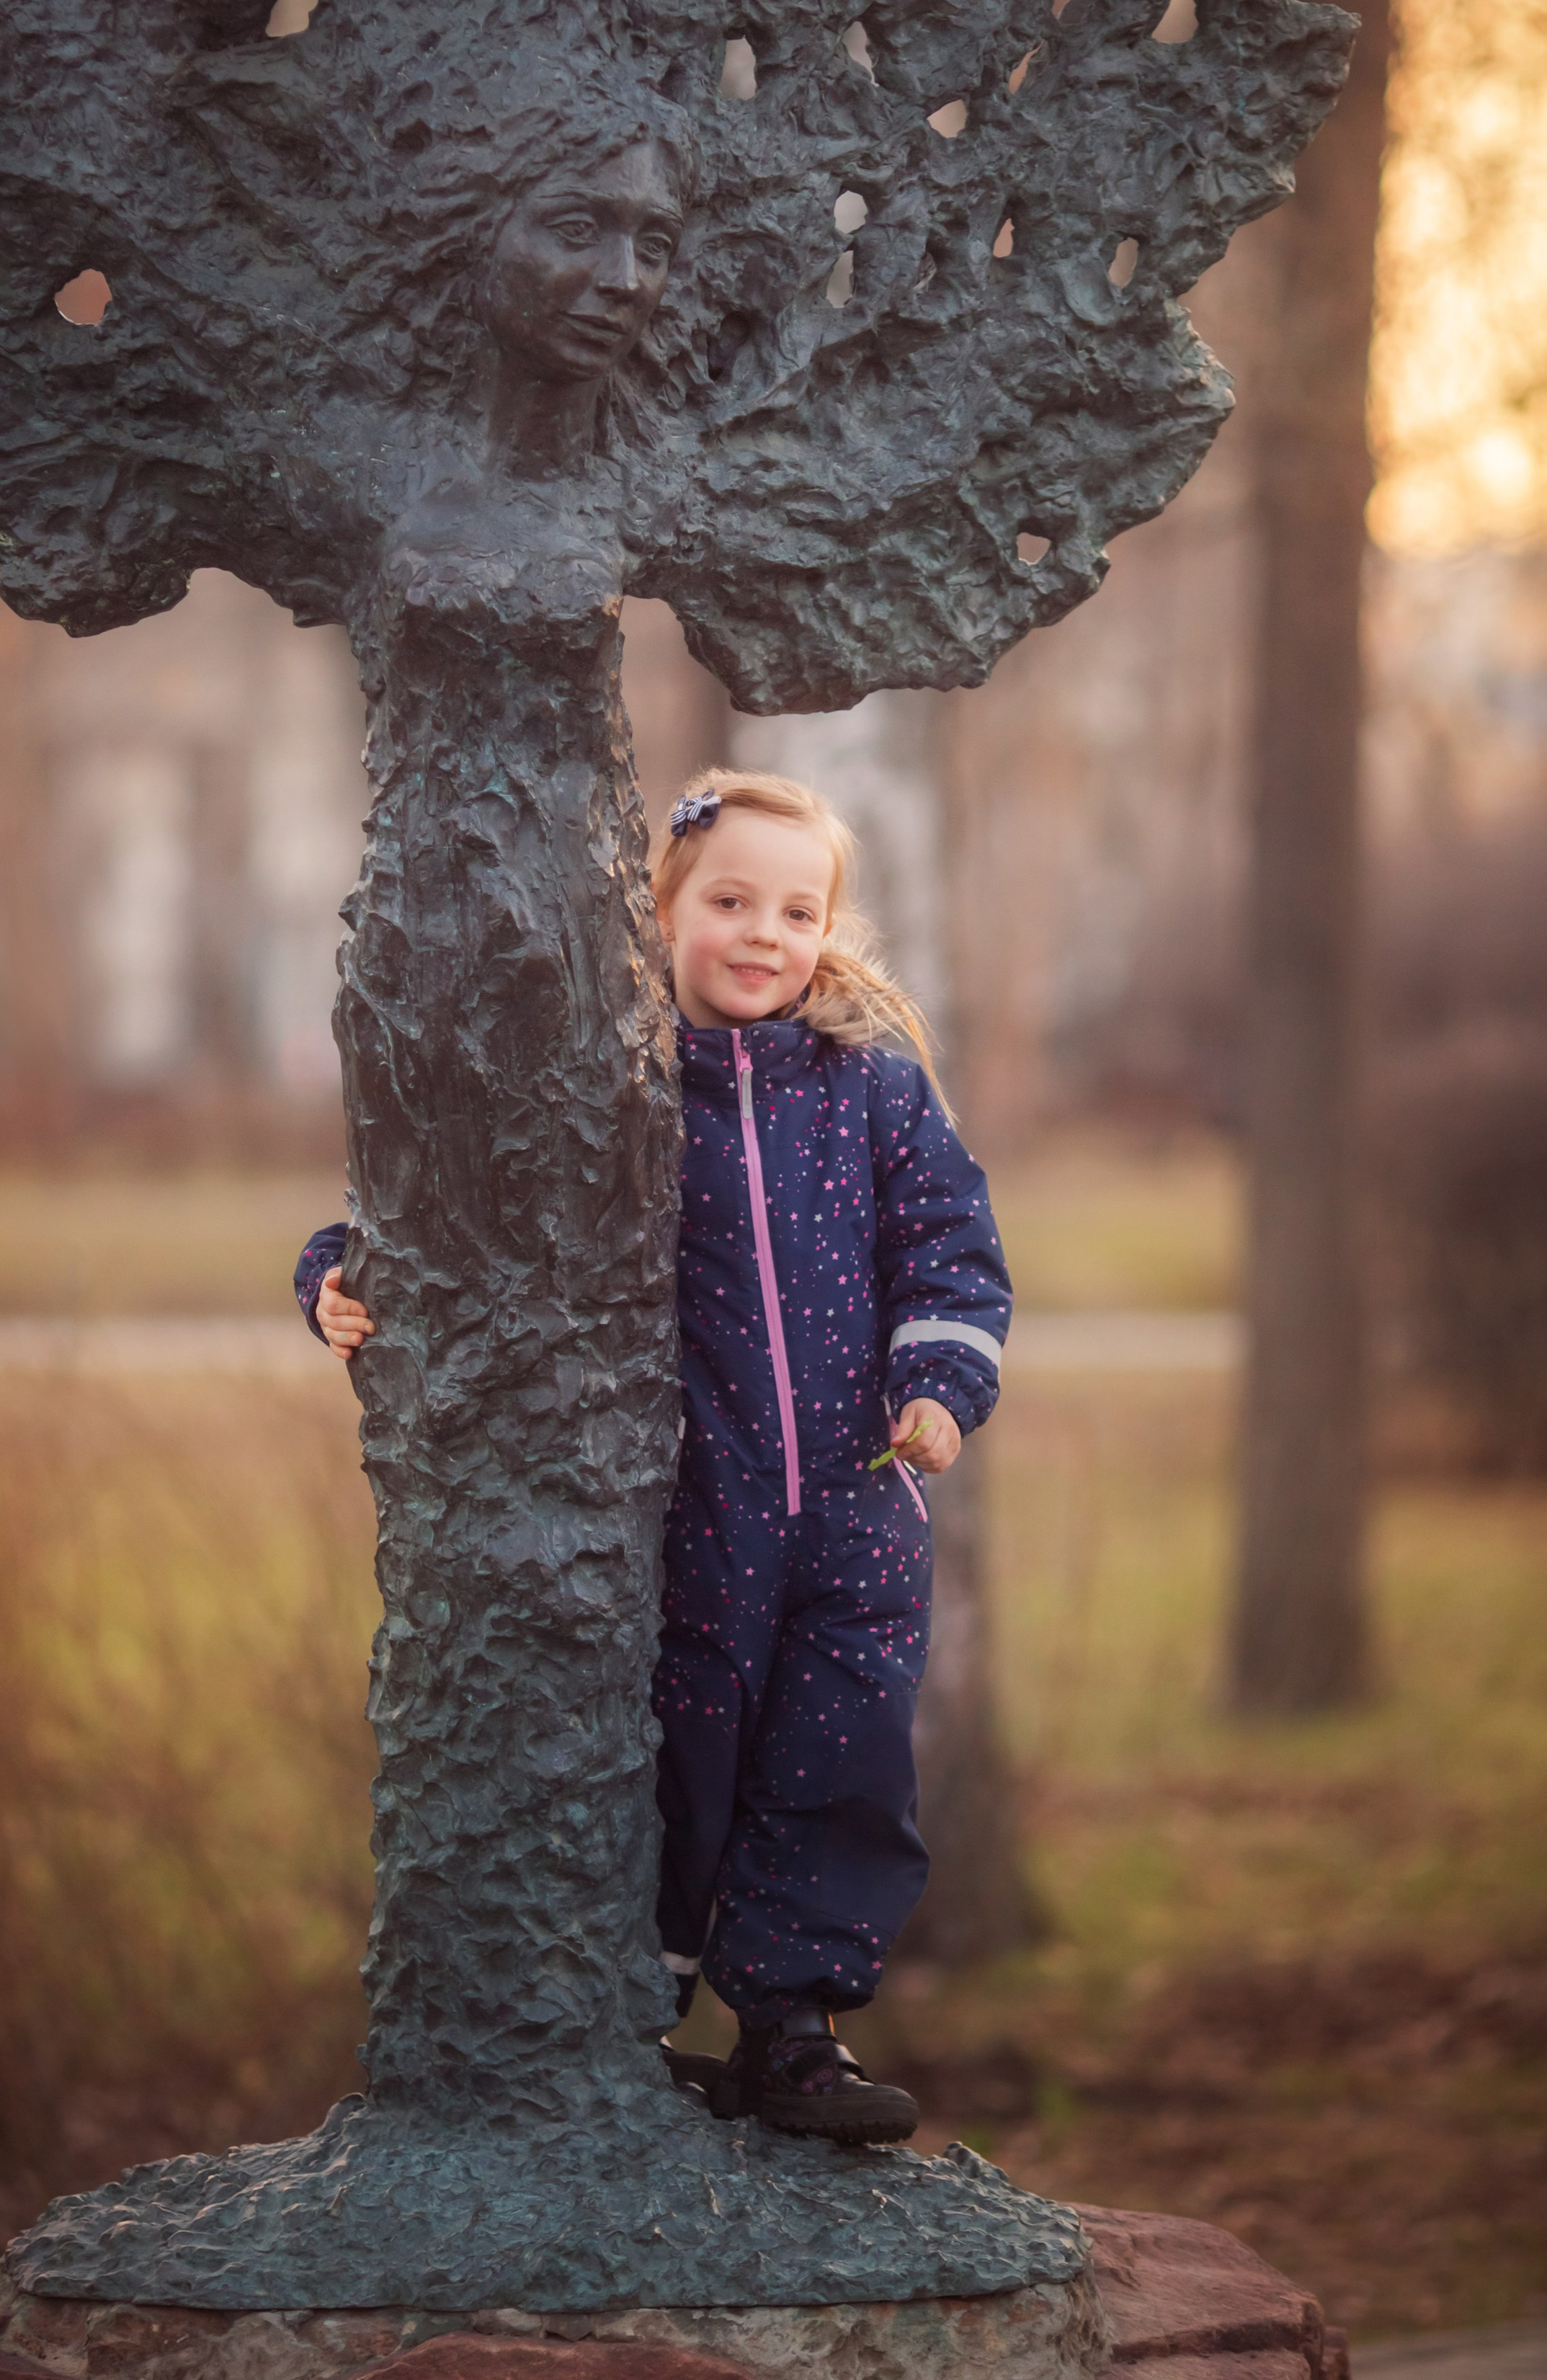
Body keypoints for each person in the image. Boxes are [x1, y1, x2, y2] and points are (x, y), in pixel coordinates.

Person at [297, 767, 1011, 2147]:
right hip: (695, 1516)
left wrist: (939, 1388)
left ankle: (794, 2031)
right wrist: (338, 1268)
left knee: (842, 1759)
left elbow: (950, 1247)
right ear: (660, 910)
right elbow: (458, 1193)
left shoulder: (870, 1091)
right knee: (683, 1758)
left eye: (797, 912)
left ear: (828, 931)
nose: (764, 935)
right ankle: (633, 2017)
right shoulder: (613, 1089)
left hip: (859, 1515)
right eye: (731, 902)